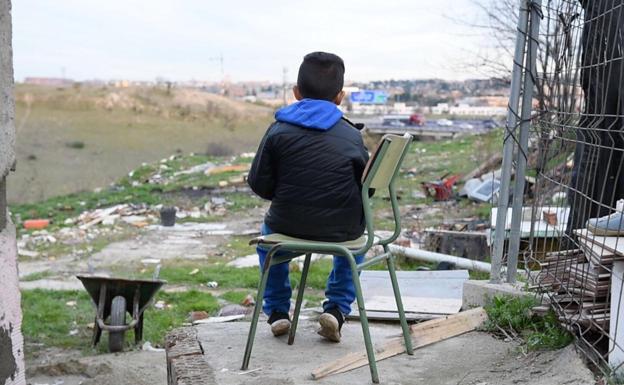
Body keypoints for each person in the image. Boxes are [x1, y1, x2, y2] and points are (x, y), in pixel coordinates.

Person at [247, 51, 369, 343]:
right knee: (355, 247)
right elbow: (365, 189)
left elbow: (259, 185)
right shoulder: (352, 136)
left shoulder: (278, 130)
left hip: (286, 228)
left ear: (296, 93)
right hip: (342, 233)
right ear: (339, 97)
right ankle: (337, 310)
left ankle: (277, 313)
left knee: (268, 245)